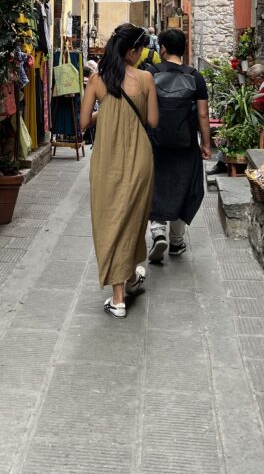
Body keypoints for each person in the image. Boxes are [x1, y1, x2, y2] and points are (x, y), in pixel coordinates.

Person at [80, 24, 159, 318]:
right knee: (132, 219)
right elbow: (152, 121)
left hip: (106, 161)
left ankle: (118, 296)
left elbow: (84, 122)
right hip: (140, 159)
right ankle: (126, 281)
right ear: (132, 51)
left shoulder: (98, 80)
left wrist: (108, 110)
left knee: (109, 219)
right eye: (141, 50)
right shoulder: (146, 78)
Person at [146, 28, 212, 264]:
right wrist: (206, 143)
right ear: (183, 48)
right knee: (185, 186)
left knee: (157, 184)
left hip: (155, 142)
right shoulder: (195, 76)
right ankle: (176, 240)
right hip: (185, 143)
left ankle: (157, 231)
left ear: (162, 49)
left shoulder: (149, 73)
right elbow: (203, 115)